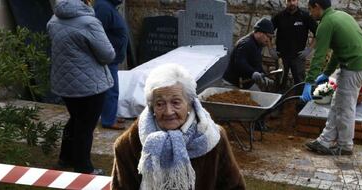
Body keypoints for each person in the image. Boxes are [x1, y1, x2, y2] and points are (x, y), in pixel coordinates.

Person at [111, 64, 245, 190]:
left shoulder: (213, 137)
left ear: (189, 103)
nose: (168, 111)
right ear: (152, 107)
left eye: (175, 102)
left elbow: (234, 187)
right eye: (160, 104)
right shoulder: (129, 144)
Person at [47, 0, 115, 174]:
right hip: (89, 85)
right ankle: (84, 168)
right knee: (85, 126)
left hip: (64, 82)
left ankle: (65, 159)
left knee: (75, 120)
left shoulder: (55, 18)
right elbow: (108, 55)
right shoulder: (89, 22)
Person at [300, 0, 362, 155]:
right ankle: (324, 141)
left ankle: (345, 146)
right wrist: (327, 72)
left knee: (345, 108)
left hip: (354, 68)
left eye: (310, 10)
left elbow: (319, 56)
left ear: (317, 7)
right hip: (358, 66)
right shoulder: (341, 15)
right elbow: (338, 51)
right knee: (337, 104)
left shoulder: (325, 24)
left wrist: (309, 82)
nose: (310, 13)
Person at [94, 0, 129, 130]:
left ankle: (110, 116)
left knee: (110, 89)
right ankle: (108, 120)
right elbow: (98, 34)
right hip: (108, 58)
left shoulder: (109, 6)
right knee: (111, 90)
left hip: (112, 57)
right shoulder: (104, 7)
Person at [271, 0, 317, 90]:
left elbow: (318, 34)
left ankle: (299, 102)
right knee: (280, 83)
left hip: (298, 56)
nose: (291, 3)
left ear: (297, 1)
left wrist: (309, 49)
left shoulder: (305, 16)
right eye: (289, 1)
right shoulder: (279, 16)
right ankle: (279, 101)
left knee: (300, 83)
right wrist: (270, 49)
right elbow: (267, 32)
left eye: (294, 0)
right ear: (285, 2)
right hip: (281, 57)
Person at [223, 17, 274, 90]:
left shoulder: (258, 44)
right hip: (233, 84)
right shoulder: (246, 43)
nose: (268, 40)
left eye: (270, 38)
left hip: (246, 84)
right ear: (259, 32)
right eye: (268, 37)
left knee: (259, 97)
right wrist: (253, 73)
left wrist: (263, 75)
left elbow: (256, 63)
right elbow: (239, 62)